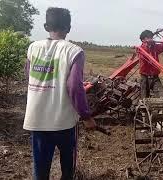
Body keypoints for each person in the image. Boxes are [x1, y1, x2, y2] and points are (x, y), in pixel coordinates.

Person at [23, 7, 96, 180]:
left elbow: (29, 77)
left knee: (40, 172)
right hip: (64, 123)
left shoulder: (33, 48)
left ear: (46, 26)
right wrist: (86, 116)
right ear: (69, 28)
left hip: (37, 121)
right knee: (67, 171)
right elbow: (74, 87)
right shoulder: (74, 51)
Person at [138, 28, 163, 98]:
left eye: (151, 37)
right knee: (144, 99)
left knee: (162, 97)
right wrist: (147, 45)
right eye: (148, 37)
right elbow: (144, 55)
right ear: (143, 40)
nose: (150, 39)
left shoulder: (155, 47)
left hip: (155, 77)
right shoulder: (140, 49)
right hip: (144, 77)